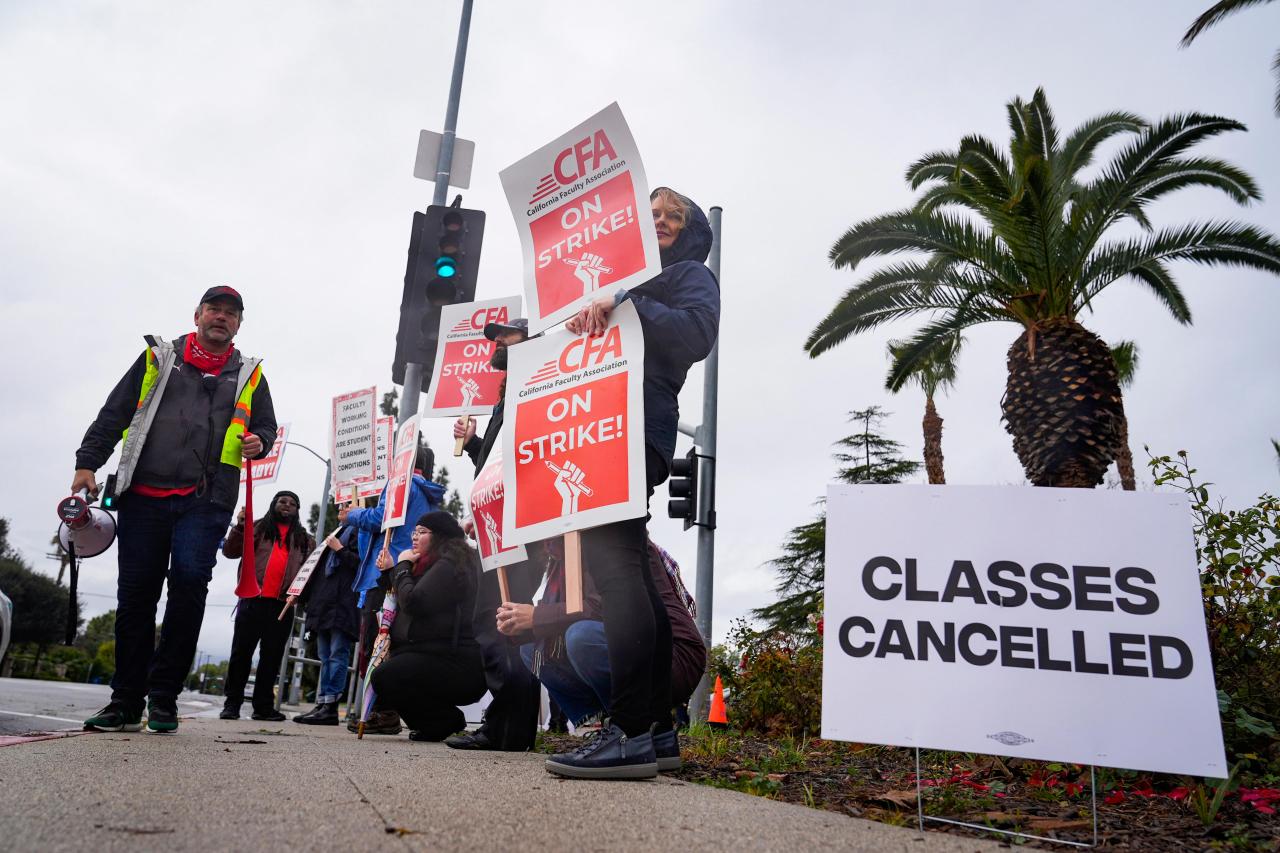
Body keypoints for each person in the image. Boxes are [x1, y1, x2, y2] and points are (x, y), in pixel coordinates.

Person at [550, 188, 718, 778]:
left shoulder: (690, 275)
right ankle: (656, 730)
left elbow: (696, 336)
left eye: (675, 216)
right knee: (629, 573)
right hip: (598, 431)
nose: (664, 222)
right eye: (653, 215)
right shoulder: (618, 283)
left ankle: (627, 732)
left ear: (689, 231)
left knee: (619, 573)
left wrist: (626, 303)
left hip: (635, 428)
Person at [73, 286, 276, 733]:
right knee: (136, 595)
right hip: (143, 495)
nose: (221, 317)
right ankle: (125, 701)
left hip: (206, 500)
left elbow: (266, 427)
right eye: (214, 310)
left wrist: (260, 442)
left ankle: (163, 698)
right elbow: (116, 411)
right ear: (198, 315)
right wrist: (88, 461)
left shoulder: (250, 374)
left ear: (239, 324)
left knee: (188, 584)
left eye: (231, 313)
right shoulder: (158, 358)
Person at [501, 540, 706, 771]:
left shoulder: (604, 539)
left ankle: (628, 734)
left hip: (672, 655)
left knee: (582, 637)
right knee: (532, 650)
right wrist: (518, 623)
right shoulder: (566, 557)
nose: (544, 543)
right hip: (649, 653)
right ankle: (653, 734)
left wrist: (537, 616)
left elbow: (609, 608)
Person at [446, 319, 542, 752]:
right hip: (502, 522)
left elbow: (528, 454)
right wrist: (473, 444)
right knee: (503, 621)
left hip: (521, 524)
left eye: (507, 334)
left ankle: (505, 727)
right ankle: (510, 726)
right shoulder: (509, 393)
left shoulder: (534, 383)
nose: (498, 341)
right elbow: (497, 464)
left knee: (496, 620)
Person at [339, 444, 444, 735]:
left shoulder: (402, 484)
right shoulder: (426, 492)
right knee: (391, 643)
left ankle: (382, 713)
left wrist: (354, 515)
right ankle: (387, 710)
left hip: (385, 572)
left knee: (378, 644)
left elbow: (380, 519)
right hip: (405, 571)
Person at [370, 511, 485, 741]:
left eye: (422, 532)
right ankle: (439, 722)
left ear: (440, 536)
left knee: (386, 677)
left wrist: (401, 566)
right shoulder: (428, 565)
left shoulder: (450, 563)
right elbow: (403, 600)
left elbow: (414, 601)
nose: (414, 537)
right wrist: (390, 573)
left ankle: (443, 721)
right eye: (414, 532)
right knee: (389, 674)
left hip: (457, 663)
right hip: (436, 656)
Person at [219, 490, 315, 721]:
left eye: (293, 503)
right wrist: (241, 526)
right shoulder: (257, 528)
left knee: (271, 659)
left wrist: (301, 598)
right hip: (252, 599)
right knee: (240, 655)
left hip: (282, 606)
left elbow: (310, 572)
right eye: (283, 501)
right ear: (273, 504)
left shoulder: (305, 539)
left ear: (297, 510)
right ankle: (232, 704)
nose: (287, 505)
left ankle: (263, 707)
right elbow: (230, 552)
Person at [292, 524, 361, 725]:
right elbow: (315, 571)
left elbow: (361, 565)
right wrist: (301, 595)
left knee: (337, 654)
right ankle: (322, 702)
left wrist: (340, 549)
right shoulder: (335, 532)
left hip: (343, 604)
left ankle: (331, 705)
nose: (342, 508)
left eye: (347, 504)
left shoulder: (359, 532)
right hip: (324, 604)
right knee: (325, 656)